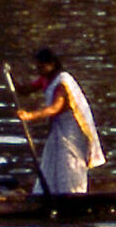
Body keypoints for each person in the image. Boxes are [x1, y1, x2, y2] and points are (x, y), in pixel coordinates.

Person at [16, 46, 106, 195]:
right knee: (53, 158)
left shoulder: (62, 83)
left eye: (42, 66)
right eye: (37, 66)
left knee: (68, 160)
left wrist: (30, 116)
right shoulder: (45, 79)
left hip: (71, 128)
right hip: (58, 127)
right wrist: (12, 80)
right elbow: (26, 89)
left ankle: (73, 194)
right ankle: (51, 192)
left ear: (52, 64)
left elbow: (54, 108)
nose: (39, 70)